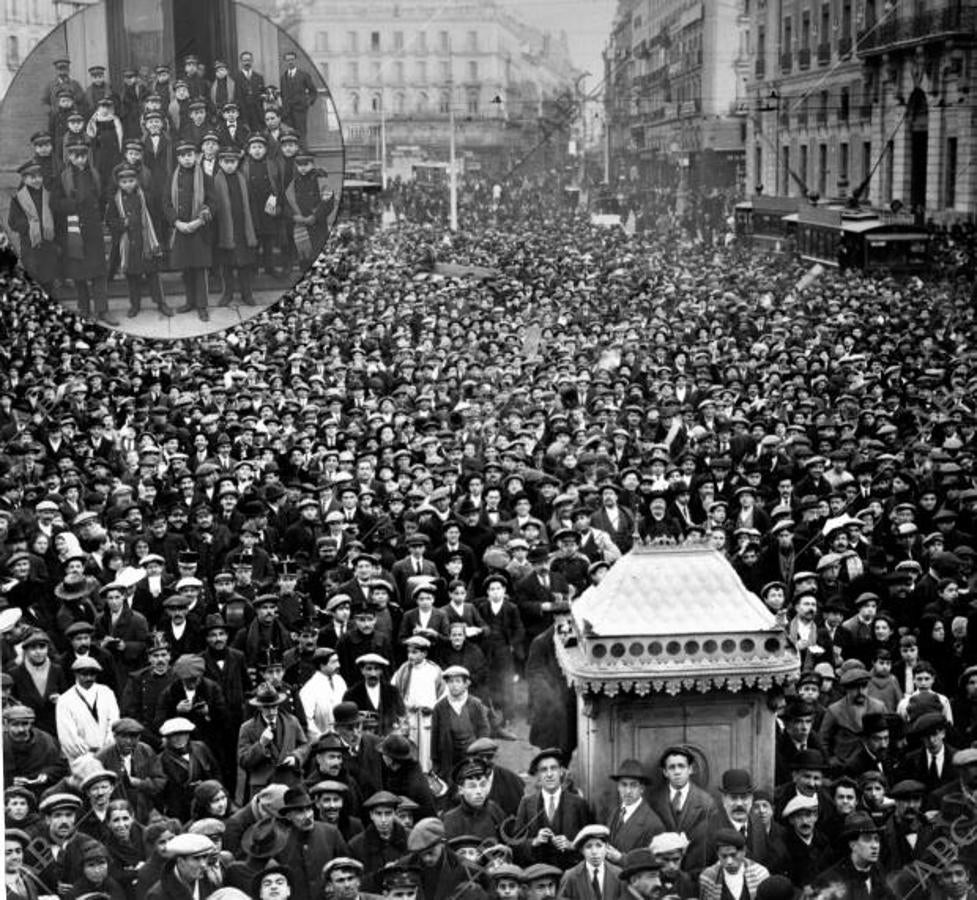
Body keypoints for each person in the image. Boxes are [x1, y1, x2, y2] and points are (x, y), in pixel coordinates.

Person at [51, 139, 118, 325]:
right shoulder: (62, 178)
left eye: (83, 155)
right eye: (75, 155)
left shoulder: (95, 174)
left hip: (93, 229)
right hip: (74, 229)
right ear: (69, 157)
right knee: (79, 273)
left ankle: (102, 310)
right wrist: (73, 204)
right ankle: (84, 309)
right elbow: (54, 204)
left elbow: (102, 196)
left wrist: (99, 212)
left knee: (99, 272)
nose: (80, 159)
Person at [509, 747, 592, 870]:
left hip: (570, 873)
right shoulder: (527, 803)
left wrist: (572, 845)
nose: (549, 774)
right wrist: (534, 842)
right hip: (538, 875)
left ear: (561, 772)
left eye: (553, 768)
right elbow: (515, 843)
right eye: (543, 770)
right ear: (538, 775)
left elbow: (591, 840)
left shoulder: (579, 804)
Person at [163, 139, 214, 322]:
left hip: (199, 230)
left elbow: (212, 202)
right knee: (187, 268)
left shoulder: (205, 178)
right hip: (181, 230)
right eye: (183, 156)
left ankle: (202, 305)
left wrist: (200, 220)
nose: (187, 159)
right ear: (178, 158)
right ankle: (190, 301)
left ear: (196, 156)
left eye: (190, 155)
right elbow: (167, 203)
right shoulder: (172, 178)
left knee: (200, 269)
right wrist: (176, 222)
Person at [211, 144, 259, 307]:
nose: (230, 165)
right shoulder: (215, 181)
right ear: (220, 162)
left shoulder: (243, 179)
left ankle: (247, 293)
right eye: (226, 161)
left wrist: (253, 225)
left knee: (245, 264)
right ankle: (228, 293)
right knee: (227, 266)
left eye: (233, 162)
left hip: (242, 229)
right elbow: (212, 206)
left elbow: (252, 203)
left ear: (238, 163)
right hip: (224, 230)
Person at [429, 665, 490, 784]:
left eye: (458, 681)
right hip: (449, 755)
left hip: (472, 755)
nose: (454, 685)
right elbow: (434, 736)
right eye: (450, 681)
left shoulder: (475, 704)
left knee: (471, 783)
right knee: (451, 785)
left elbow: (484, 730)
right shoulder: (440, 707)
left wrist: (482, 754)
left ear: (466, 684)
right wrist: (435, 762)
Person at [7, 160, 59, 297]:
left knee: (49, 281)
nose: (37, 180)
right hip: (30, 246)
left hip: (48, 245)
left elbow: (57, 216)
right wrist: (30, 224)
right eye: (32, 177)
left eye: (39, 176)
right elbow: (12, 222)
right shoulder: (18, 199)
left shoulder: (48, 195)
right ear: (24, 179)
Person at [604, 759, 664, 862]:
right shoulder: (615, 812)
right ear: (618, 787)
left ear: (642, 789)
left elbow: (653, 862)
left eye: (633, 785)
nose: (628, 791)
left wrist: (621, 859)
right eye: (624, 785)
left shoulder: (653, 824)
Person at [698, 829, 770, 900]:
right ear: (718, 854)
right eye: (724, 856)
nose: (729, 861)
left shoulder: (759, 874)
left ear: (743, 851)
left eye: (733, 855)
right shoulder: (708, 878)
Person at [558, 824, 623, 900]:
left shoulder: (618, 875)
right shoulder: (571, 876)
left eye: (599, 846)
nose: (594, 852)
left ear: (606, 847)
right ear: (582, 850)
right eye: (588, 846)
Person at [278, 50, 317, 143]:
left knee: (301, 132)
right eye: (288, 60)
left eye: (292, 59)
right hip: (287, 112)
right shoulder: (283, 78)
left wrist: (307, 103)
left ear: (296, 60)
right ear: (285, 62)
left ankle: (302, 152)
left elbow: (313, 92)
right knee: (290, 134)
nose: (290, 62)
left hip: (300, 110)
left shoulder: (304, 75)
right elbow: (283, 95)